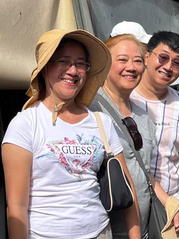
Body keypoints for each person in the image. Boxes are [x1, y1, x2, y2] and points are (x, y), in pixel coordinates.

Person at [2, 29, 141, 238]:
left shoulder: (101, 122)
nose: (73, 70)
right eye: (63, 61)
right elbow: (16, 207)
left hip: (100, 233)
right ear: (45, 67)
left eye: (80, 63)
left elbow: (128, 189)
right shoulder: (25, 124)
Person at [89, 34, 179, 238]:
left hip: (143, 228)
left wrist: (175, 206)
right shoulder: (90, 109)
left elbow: (143, 173)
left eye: (137, 61)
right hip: (105, 230)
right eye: (122, 60)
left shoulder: (142, 116)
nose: (131, 67)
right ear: (106, 63)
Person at [130, 31, 179, 206]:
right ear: (146, 57)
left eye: (177, 63)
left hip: (171, 206)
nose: (168, 67)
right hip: (129, 204)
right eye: (163, 58)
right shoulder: (125, 98)